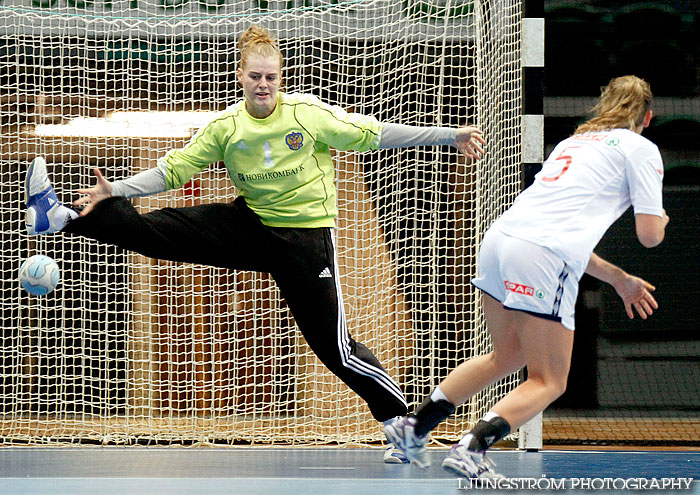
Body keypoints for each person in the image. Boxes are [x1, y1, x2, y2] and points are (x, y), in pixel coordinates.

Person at [24, 25, 486, 463]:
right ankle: (61, 217)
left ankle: (405, 427)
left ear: (279, 78)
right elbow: (173, 170)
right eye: (254, 76)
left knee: (336, 350)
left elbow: (376, 134)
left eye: (271, 77)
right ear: (241, 75)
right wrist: (115, 190)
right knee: (159, 230)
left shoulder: (307, 115)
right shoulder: (226, 127)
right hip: (250, 224)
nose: (263, 84)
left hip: (304, 242)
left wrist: (451, 135)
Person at [384, 75, 669, 477]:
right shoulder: (641, 149)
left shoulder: (574, 142)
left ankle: (413, 428)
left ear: (604, 108)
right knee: (550, 379)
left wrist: (619, 278)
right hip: (541, 255)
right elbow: (650, 235)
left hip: (500, 241)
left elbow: (562, 233)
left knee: (508, 355)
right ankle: (472, 447)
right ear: (648, 117)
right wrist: (662, 217)